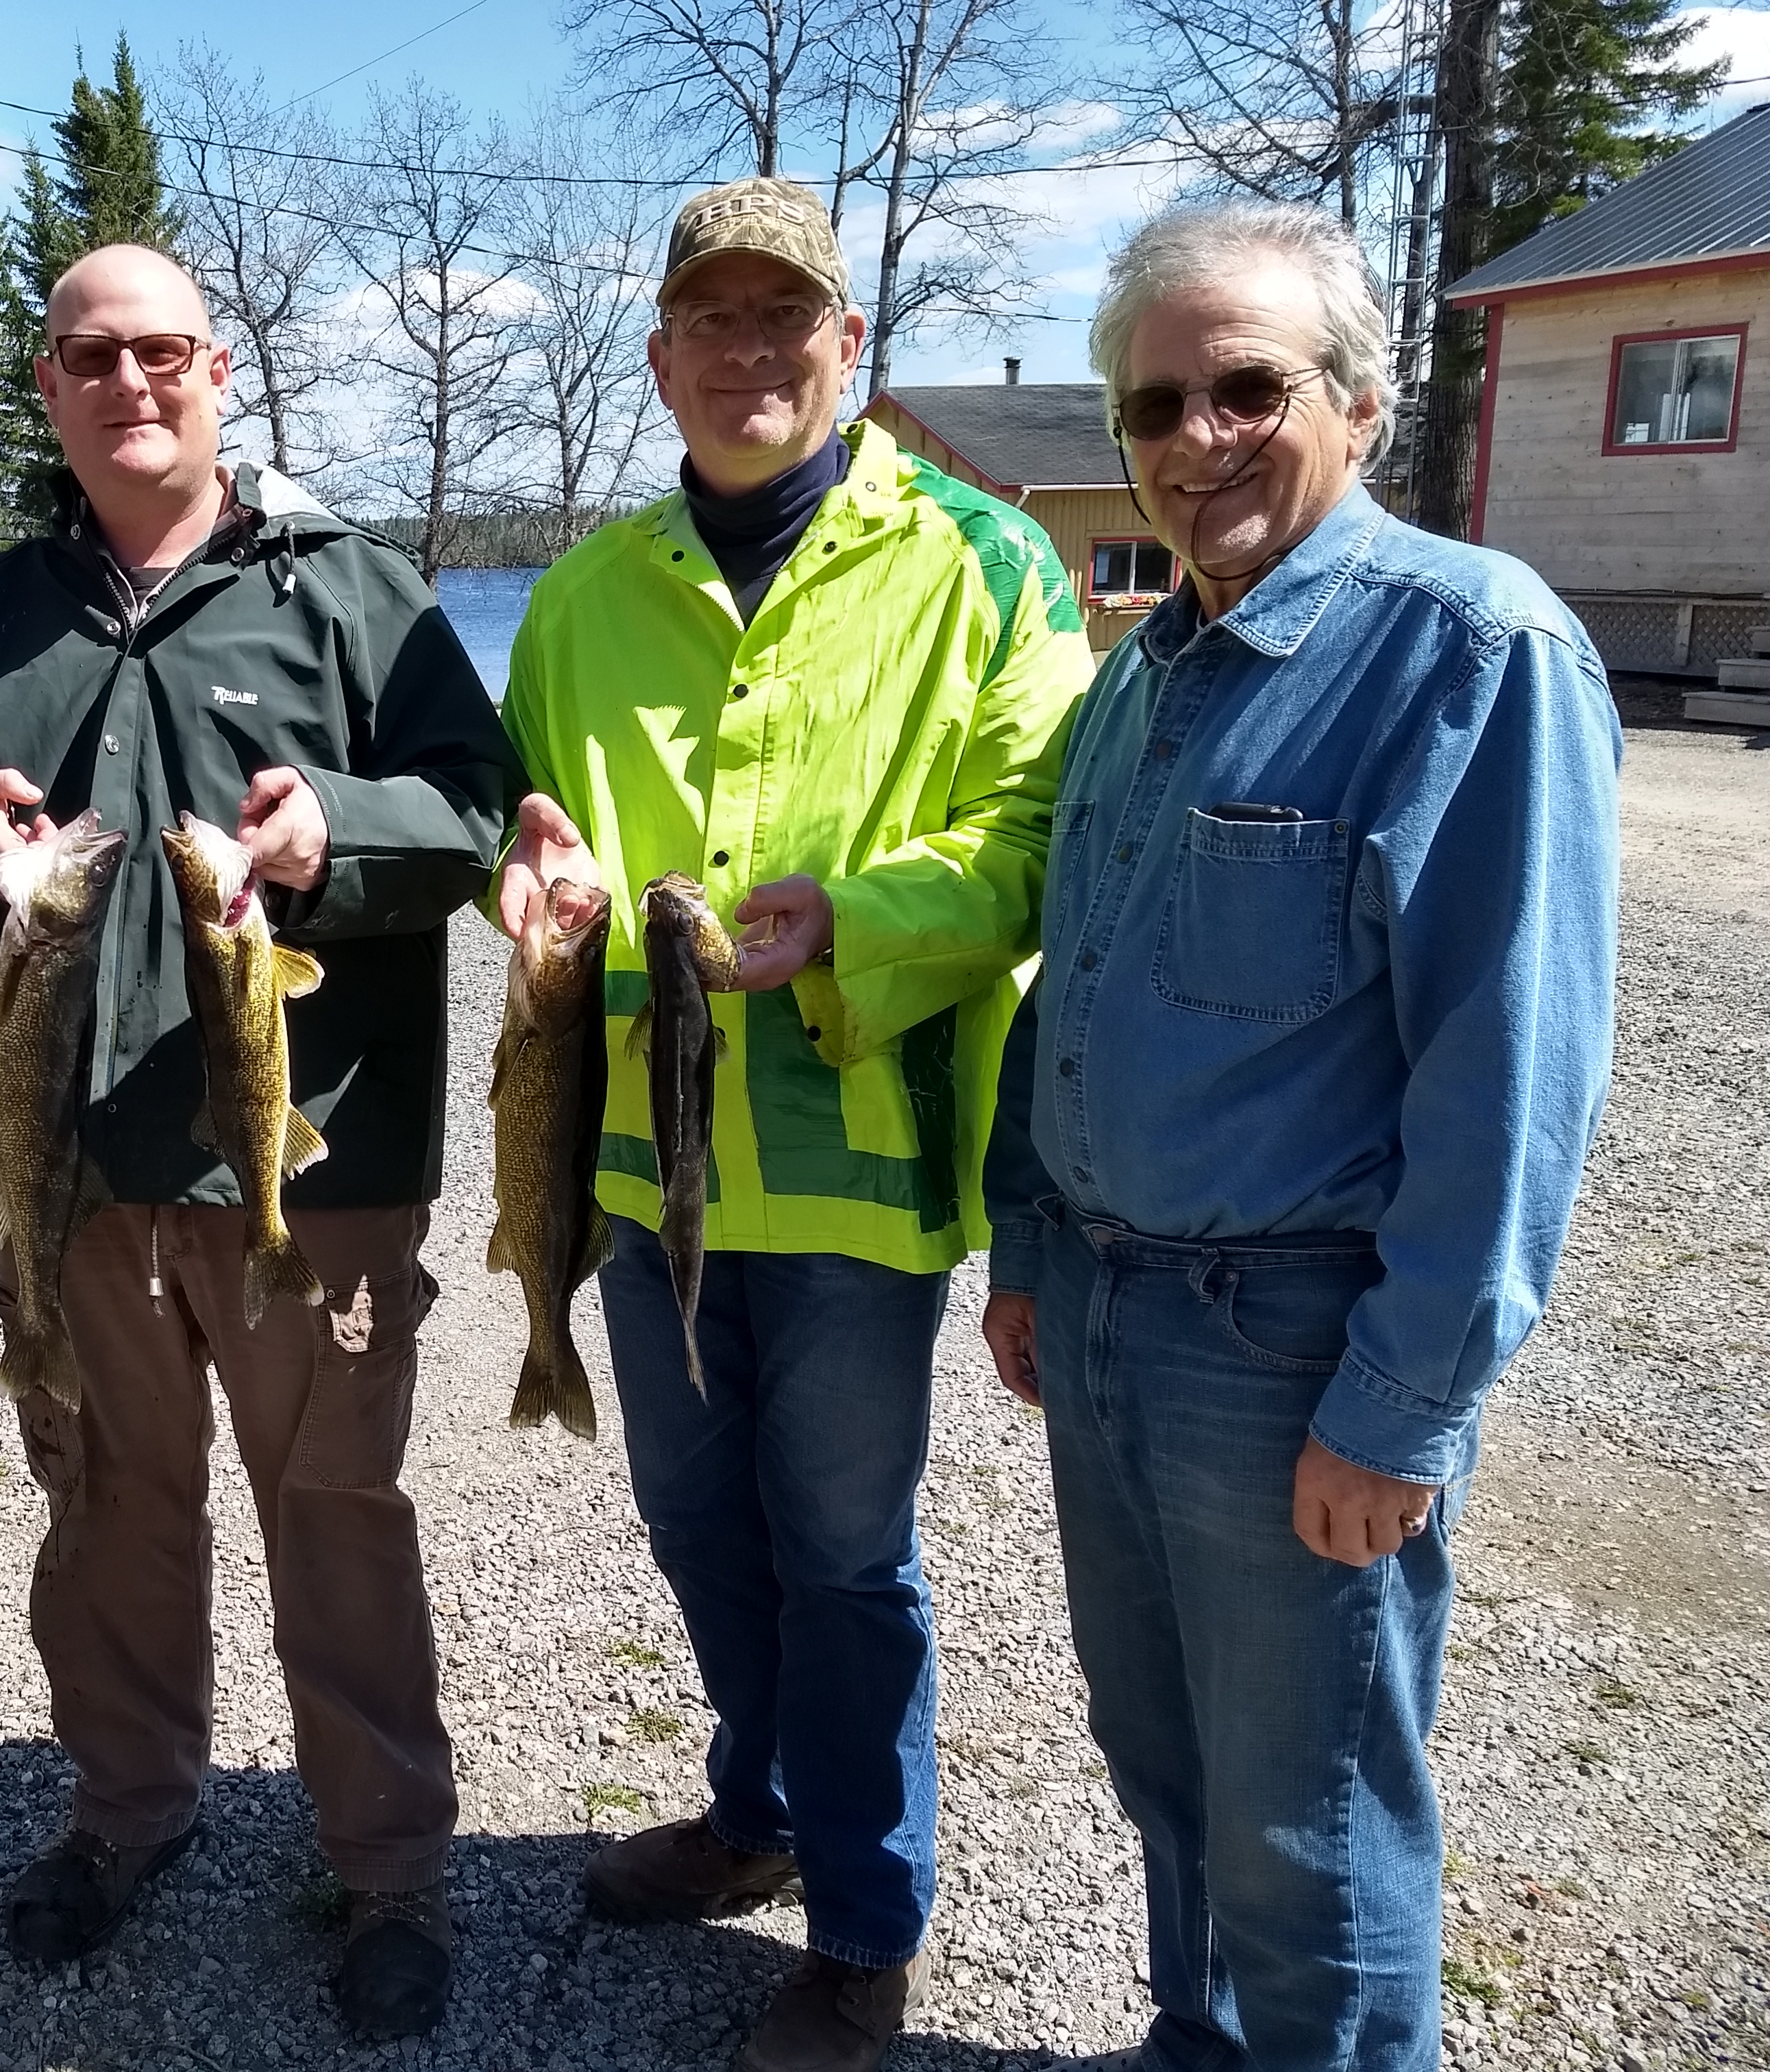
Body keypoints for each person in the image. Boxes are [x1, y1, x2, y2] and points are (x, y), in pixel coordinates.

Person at [0, 243, 517, 2037]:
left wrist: (326, 837)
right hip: (63, 1172)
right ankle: (128, 1814)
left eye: (165, 353)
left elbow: (471, 819)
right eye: (91, 357)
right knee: (109, 1511)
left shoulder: (354, 592)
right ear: (46, 390)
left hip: (313, 1170)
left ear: (221, 373)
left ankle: (389, 1868)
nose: (134, 383)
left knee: (338, 1516)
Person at [977, 201, 1621, 2072]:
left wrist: (1405, 1403)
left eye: (1244, 390)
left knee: (1310, 1827)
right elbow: (1073, 986)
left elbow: (1509, 1080)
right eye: (1151, 406)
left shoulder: (1466, 655)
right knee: (1164, 1764)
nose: (1193, 443)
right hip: (1107, 1323)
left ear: (1354, 401)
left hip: (1290, 1356)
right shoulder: (1143, 672)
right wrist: (1030, 1247)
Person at [493, 177, 1095, 2072]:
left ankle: (865, 1920)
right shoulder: (586, 596)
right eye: (715, 324)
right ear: (661, 356)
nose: (752, 354)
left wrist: (860, 921)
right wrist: (537, 890)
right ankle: (754, 1812)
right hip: (622, 1162)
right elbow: (533, 832)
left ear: (851, 347)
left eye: (790, 321)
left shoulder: (988, 564)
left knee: (842, 1549)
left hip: (859, 1166)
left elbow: (1032, 844)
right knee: (691, 1516)